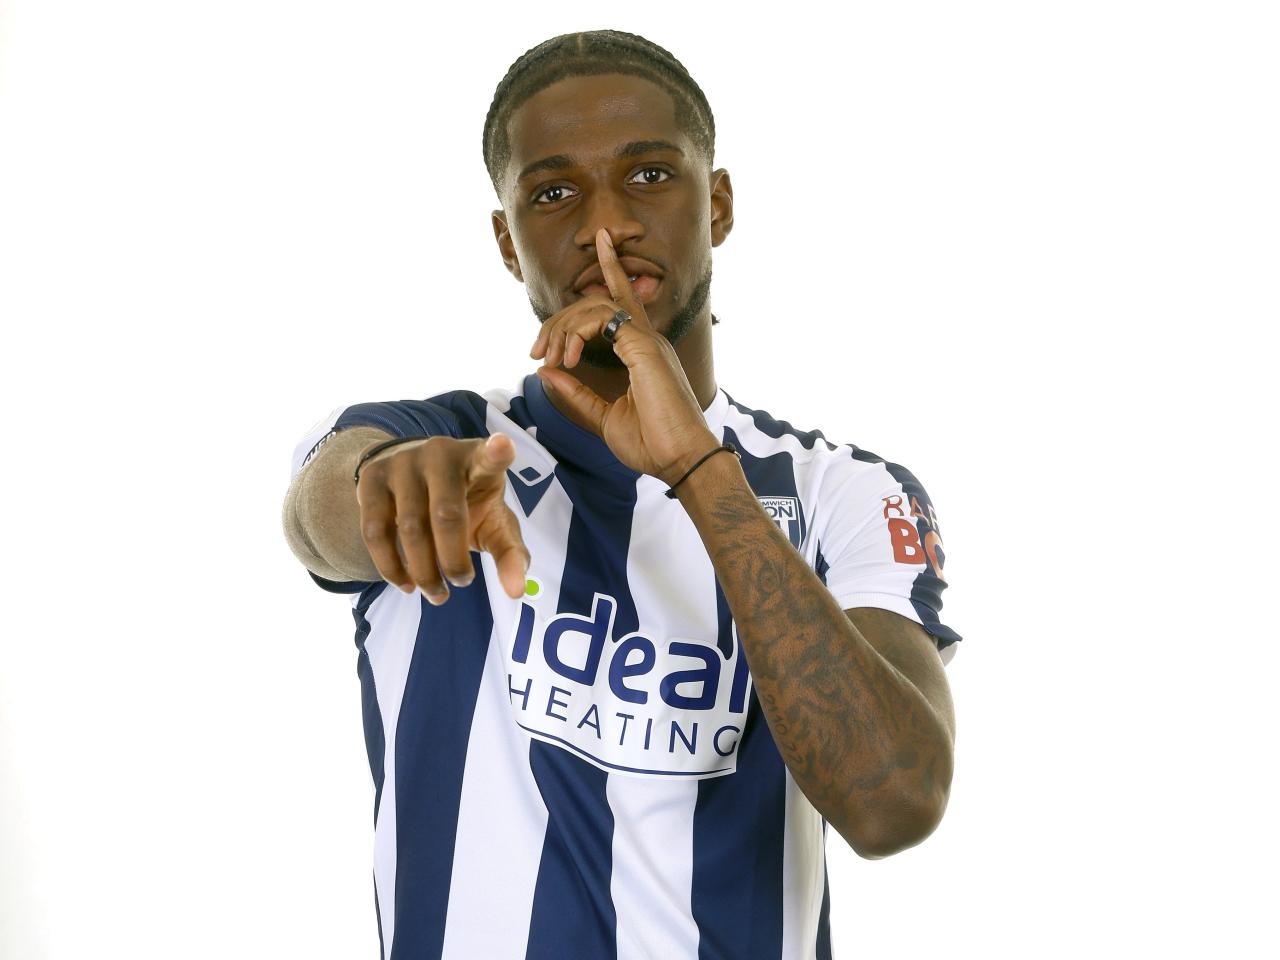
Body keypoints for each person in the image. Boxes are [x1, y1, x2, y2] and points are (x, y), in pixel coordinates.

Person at [281, 29, 961, 960]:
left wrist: (696, 467)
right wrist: (379, 490)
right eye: (554, 193)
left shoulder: (844, 491)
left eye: (649, 176)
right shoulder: (437, 442)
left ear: (717, 205)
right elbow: (322, 518)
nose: (607, 227)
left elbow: (893, 800)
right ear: (505, 241)